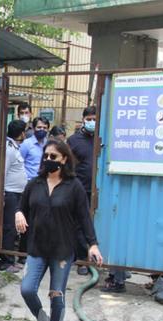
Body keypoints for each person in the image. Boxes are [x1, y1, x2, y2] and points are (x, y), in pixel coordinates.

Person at [16, 140, 103, 321]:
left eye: (53, 156)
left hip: (62, 251)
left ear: (64, 159)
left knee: (57, 296)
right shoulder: (34, 184)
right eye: (46, 156)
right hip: (37, 248)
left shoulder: (74, 187)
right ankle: (41, 319)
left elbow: (84, 218)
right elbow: (22, 207)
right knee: (27, 289)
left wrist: (92, 244)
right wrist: (18, 214)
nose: (48, 160)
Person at [67, 106, 97, 276]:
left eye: (95, 119)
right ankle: (81, 260)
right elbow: (68, 166)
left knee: (95, 223)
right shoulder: (73, 141)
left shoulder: (102, 138)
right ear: (84, 119)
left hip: (100, 190)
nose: (92, 122)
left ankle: (97, 256)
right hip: (80, 188)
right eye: (89, 118)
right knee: (79, 224)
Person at [0, 120, 27, 272]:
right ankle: (6, 262)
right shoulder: (9, 149)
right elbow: (3, 171)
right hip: (10, 193)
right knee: (9, 227)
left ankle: (10, 259)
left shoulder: (14, 147)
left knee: (14, 228)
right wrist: (2, 194)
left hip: (16, 193)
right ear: (21, 133)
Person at [20, 117, 50, 181]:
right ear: (33, 128)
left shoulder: (49, 144)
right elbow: (20, 163)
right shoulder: (26, 144)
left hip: (44, 181)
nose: (42, 129)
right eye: (39, 127)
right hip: (29, 181)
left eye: (45, 128)